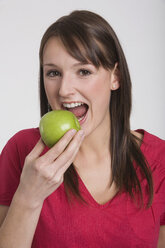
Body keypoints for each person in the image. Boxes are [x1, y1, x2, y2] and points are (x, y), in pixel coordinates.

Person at [0, 10, 164, 248]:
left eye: (84, 71)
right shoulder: (23, 152)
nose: (65, 89)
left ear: (115, 77)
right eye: (53, 73)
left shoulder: (159, 159)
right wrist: (28, 197)